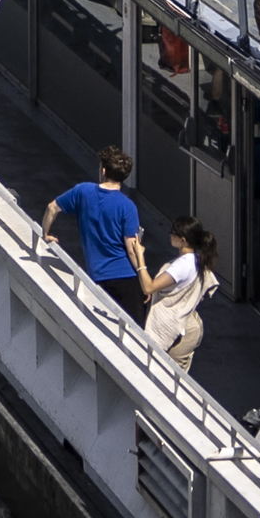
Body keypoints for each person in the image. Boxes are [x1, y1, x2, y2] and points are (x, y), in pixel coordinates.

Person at [48, 147, 152, 320]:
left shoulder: (83, 191)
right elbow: (132, 249)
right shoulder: (127, 206)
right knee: (134, 334)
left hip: (98, 276)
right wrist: (143, 277)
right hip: (127, 278)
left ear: (103, 171)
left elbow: (52, 208)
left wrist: (46, 233)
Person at [144, 218, 218, 375]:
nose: (170, 235)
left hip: (182, 332)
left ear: (182, 240)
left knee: (172, 378)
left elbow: (149, 287)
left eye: (173, 233)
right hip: (189, 323)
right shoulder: (196, 260)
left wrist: (138, 257)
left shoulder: (182, 265)